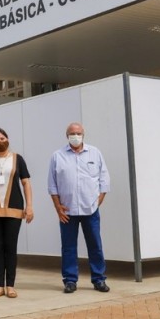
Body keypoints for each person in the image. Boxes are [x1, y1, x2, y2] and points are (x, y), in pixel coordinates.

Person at [47, 122, 111, 293]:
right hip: (67, 211)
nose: (75, 136)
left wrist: (98, 200)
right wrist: (58, 207)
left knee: (95, 245)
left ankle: (99, 279)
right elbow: (52, 185)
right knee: (68, 247)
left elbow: (104, 180)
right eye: (72, 133)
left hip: (90, 210)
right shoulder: (57, 156)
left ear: (83, 134)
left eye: (78, 133)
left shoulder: (95, 153)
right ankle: (70, 280)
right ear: (66, 135)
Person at [0, 127, 34, 299]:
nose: (0, 141)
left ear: (8, 139)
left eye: (2, 138)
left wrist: (29, 206)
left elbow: (26, 183)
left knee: (11, 247)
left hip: (14, 209)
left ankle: (10, 285)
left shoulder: (18, 159)